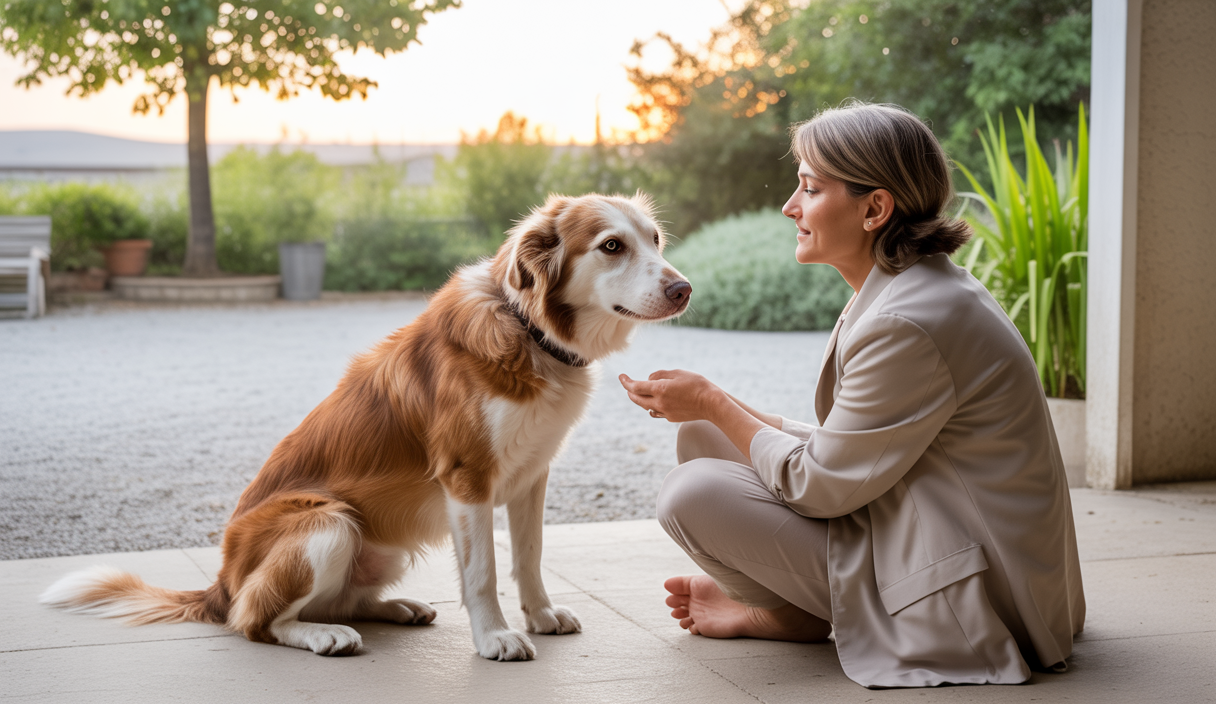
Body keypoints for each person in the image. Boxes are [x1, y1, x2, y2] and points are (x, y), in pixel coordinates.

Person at [618, 102, 1085, 689]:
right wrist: (711, 410)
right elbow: (859, 447)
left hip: (983, 596)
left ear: (875, 209)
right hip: (935, 527)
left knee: (692, 491)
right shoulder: (913, 286)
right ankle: (796, 609)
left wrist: (713, 399)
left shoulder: (909, 320)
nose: (790, 206)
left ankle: (790, 613)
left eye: (810, 189)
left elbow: (820, 487)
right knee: (702, 434)